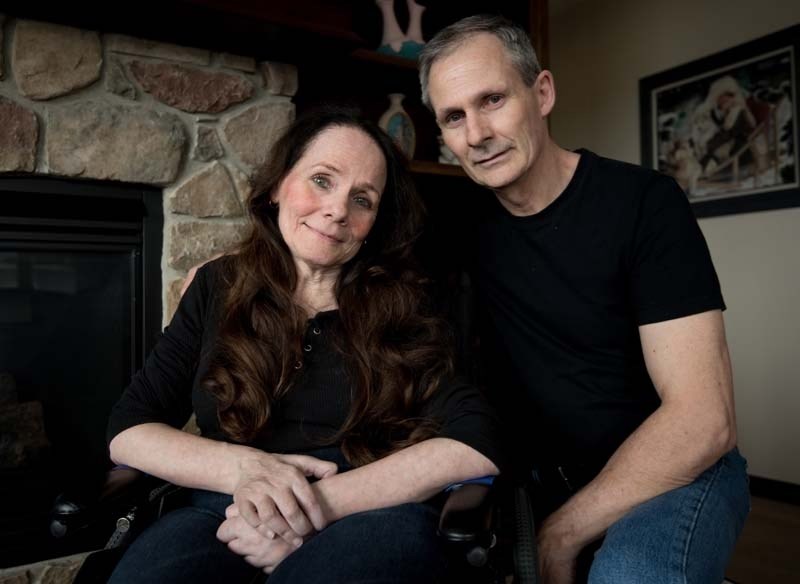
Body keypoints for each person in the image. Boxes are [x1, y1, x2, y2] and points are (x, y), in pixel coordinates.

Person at [105, 107, 502, 584]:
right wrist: (247, 470)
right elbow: (129, 426)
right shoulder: (218, 286)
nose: (337, 210)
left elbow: (475, 442)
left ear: (376, 221)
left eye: (363, 199)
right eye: (321, 180)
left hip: (369, 509)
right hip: (224, 507)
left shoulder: (411, 303)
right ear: (277, 187)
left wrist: (310, 507)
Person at [418, 14, 749, 584]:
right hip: (540, 473)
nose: (475, 134)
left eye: (492, 99)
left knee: (628, 574)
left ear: (541, 93)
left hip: (676, 470)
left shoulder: (645, 203)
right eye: (454, 117)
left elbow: (704, 420)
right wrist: (225, 269)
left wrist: (561, 533)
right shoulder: (457, 225)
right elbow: (335, 239)